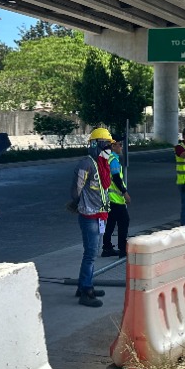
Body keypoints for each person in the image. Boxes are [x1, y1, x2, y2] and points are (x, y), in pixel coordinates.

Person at [70, 127, 113, 308]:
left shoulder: (102, 164)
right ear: (96, 144)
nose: (109, 148)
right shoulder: (86, 163)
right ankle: (86, 291)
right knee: (91, 254)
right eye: (106, 144)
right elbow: (76, 190)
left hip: (99, 214)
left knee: (91, 254)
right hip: (89, 215)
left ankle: (84, 286)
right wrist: (80, 204)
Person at [102, 136, 130, 258]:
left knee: (111, 223)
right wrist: (125, 192)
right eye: (119, 145)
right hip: (116, 198)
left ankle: (107, 248)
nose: (121, 147)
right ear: (113, 146)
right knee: (124, 221)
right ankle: (123, 250)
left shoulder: (107, 157)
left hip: (110, 198)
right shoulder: (113, 159)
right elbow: (116, 178)